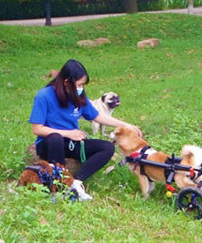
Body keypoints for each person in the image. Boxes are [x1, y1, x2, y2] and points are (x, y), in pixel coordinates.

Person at [29, 59, 137, 201]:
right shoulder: (44, 96)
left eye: (82, 85)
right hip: (50, 143)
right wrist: (68, 133)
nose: (81, 88)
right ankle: (59, 185)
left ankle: (75, 182)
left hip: (72, 142)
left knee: (107, 147)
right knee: (55, 138)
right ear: (66, 82)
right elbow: (37, 129)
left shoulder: (78, 96)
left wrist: (125, 125)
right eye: (79, 84)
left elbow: (97, 116)